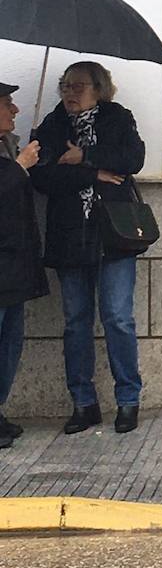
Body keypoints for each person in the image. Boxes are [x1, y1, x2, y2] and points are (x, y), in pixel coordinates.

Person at [32, 61, 146, 434]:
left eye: (79, 86)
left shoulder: (117, 118)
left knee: (118, 317)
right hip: (70, 235)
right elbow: (42, 176)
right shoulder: (52, 125)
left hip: (113, 233)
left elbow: (132, 160)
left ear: (99, 89)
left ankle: (128, 400)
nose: (70, 93)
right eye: (66, 85)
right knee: (75, 322)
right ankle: (83, 402)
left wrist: (86, 156)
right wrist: (92, 173)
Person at [0, 82, 48, 446]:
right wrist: (19, 167)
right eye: (7, 104)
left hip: (13, 265)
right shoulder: (12, 158)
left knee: (10, 341)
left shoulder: (8, 148)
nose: (15, 111)